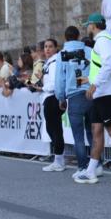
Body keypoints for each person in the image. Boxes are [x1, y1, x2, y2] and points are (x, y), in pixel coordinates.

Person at [74, 13, 111, 185]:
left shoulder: (103, 40)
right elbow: (104, 65)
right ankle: (91, 170)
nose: (87, 28)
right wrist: (91, 81)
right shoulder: (105, 39)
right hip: (103, 92)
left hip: (107, 93)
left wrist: (95, 84)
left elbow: (109, 62)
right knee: (97, 130)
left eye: (88, 25)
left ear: (93, 25)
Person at [55, 26, 93, 174]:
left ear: (65, 38)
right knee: (92, 132)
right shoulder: (89, 51)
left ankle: (82, 167)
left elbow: (60, 79)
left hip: (74, 95)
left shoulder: (62, 54)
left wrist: (60, 97)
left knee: (78, 135)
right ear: (78, 36)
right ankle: (97, 164)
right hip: (90, 93)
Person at [39, 38, 66, 172]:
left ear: (56, 48)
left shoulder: (55, 61)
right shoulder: (48, 62)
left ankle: (59, 160)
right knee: (52, 129)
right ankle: (58, 159)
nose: (47, 49)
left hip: (53, 96)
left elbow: (55, 82)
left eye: (50, 46)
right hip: (48, 96)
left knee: (55, 129)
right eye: (45, 47)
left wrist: (43, 88)